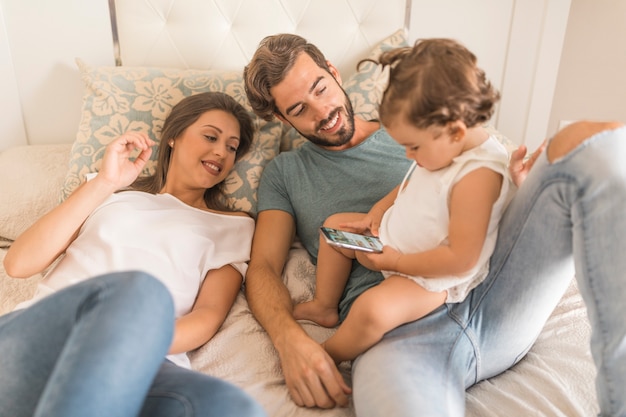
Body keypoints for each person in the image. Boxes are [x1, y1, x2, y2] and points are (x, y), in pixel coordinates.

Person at [244, 33, 626, 416]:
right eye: (298, 108)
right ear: (281, 118)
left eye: (320, 88)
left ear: (333, 72)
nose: (322, 111)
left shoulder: (420, 119)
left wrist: (519, 191)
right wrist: (289, 341)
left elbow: (477, 185)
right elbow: (262, 268)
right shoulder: (285, 171)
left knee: (579, 141)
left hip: (495, 283)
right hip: (397, 335)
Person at [1, 92, 267, 417]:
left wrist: (132, 338)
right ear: (174, 137)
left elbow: (206, 317)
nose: (220, 152)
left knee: (232, 406)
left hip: (146, 359)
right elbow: (18, 263)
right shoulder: (110, 192)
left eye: (231, 146)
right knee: (141, 291)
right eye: (210, 136)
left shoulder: (235, 226)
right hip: (50, 334)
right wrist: (105, 181)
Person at [293, 38, 515, 365]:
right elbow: (408, 184)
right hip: (387, 243)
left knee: (372, 311)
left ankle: (327, 358)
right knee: (333, 228)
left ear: (454, 131)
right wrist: (376, 213)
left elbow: (461, 260)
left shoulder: (478, 176)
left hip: (425, 279)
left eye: (412, 147)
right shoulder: (441, 150)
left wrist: (395, 264)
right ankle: (324, 306)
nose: (408, 156)